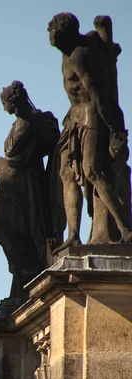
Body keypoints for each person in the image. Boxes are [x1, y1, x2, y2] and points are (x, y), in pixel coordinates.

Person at [48, 12, 132, 251]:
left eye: (56, 33)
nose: (52, 37)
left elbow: (99, 98)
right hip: (73, 119)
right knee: (66, 173)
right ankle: (73, 235)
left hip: (93, 117)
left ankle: (125, 228)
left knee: (92, 171)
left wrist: (114, 129)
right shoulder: (68, 53)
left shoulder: (80, 56)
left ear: (67, 33)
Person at [0, 81, 60, 302]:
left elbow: (47, 145)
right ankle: (23, 276)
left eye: (5, 103)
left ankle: (30, 274)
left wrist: (3, 164)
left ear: (13, 101)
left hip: (26, 184)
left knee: (22, 230)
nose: (3, 109)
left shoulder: (35, 119)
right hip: (10, 185)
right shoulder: (19, 123)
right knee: (3, 229)